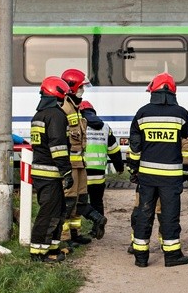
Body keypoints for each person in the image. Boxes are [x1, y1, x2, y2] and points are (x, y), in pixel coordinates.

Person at [127, 72, 188, 268]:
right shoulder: (181, 114)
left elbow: (135, 145)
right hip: (171, 177)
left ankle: (141, 257)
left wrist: (134, 168)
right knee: (169, 215)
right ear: (173, 91)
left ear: (153, 91)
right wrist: (186, 168)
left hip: (147, 176)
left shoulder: (142, 113)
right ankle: (172, 256)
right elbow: (187, 138)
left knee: (144, 213)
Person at [60, 69, 108, 252]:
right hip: (70, 163)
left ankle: (75, 234)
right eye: (80, 87)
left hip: (80, 162)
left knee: (80, 199)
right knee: (68, 200)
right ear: (72, 87)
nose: (83, 90)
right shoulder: (64, 108)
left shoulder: (77, 108)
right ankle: (65, 237)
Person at [29, 76, 73, 263]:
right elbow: (58, 147)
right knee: (48, 213)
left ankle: (52, 247)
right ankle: (38, 253)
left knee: (57, 210)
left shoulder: (39, 115)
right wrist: (67, 171)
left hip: (41, 171)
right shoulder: (56, 115)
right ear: (59, 95)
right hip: (51, 172)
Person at [79, 99, 124, 217]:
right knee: (97, 201)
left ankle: (90, 221)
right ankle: (98, 228)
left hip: (82, 171)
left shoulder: (78, 126)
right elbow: (114, 150)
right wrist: (119, 167)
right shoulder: (105, 127)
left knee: (79, 202)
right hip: (99, 174)